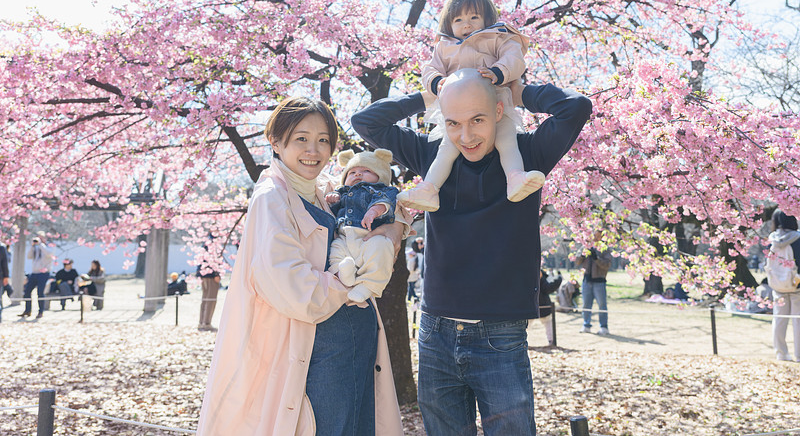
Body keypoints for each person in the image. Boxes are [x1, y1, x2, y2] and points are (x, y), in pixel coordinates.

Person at [352, 68, 592, 435]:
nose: (465, 136)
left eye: (477, 120)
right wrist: (432, 93)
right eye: (453, 123)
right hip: (435, 330)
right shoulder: (434, 158)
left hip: (501, 333)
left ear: (499, 111)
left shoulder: (527, 156)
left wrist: (518, 90)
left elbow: (576, 107)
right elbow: (365, 121)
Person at [196, 96, 406, 436]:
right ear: (276, 142)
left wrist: (395, 226)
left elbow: (387, 201)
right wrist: (349, 279)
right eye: (301, 139)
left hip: (350, 341)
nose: (314, 150)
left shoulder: (320, 191)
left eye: (323, 140)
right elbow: (293, 288)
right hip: (319, 348)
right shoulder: (272, 199)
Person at [397, 0, 545, 212]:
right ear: (449, 24)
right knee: (447, 149)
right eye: (458, 19)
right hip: (457, 112)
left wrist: (498, 71)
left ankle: (515, 177)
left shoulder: (497, 37)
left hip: (495, 103)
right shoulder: (444, 47)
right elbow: (429, 70)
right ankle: (429, 188)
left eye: (474, 17)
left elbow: (514, 58)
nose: (466, 24)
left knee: (506, 139)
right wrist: (437, 82)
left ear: (487, 19)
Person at [325, 148, 400, 302]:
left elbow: (386, 201)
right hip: (345, 238)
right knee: (336, 251)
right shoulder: (342, 193)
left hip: (369, 237)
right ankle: (344, 274)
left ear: (381, 175)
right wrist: (333, 200)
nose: (358, 174)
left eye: (366, 170)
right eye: (352, 172)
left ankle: (369, 285)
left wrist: (374, 210)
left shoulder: (381, 190)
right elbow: (331, 213)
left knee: (382, 248)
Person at [766, 209, 800, 362]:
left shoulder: (772, 240)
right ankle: (799, 355)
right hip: (796, 286)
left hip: (777, 286)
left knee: (779, 320)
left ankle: (781, 353)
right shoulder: (797, 239)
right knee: (798, 321)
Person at [577, 233, 612, 335]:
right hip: (586, 281)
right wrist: (583, 255)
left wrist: (596, 258)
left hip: (599, 281)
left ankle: (604, 327)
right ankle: (586, 325)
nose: (595, 236)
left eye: (597, 234)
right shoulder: (585, 245)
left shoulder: (604, 248)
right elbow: (577, 261)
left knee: (602, 305)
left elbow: (607, 265)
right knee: (586, 304)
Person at [20, 236, 56, 319]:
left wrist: (41, 245)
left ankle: (40, 311)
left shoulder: (49, 247)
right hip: (34, 273)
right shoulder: (35, 248)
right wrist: (32, 246)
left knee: (40, 292)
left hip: (44, 273)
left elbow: (49, 254)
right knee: (27, 291)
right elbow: (29, 256)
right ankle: (27, 310)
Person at [531, 269, 562, 346]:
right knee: (547, 323)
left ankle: (551, 340)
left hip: (536, 304)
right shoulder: (537, 272)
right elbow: (547, 288)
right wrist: (558, 278)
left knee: (547, 323)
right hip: (538, 304)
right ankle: (551, 340)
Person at [197, 262, 221, 331]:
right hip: (211, 274)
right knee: (210, 300)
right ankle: (206, 323)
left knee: (205, 299)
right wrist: (216, 274)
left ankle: (202, 322)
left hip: (203, 273)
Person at [0, 241, 9, 323]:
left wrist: (6, 276)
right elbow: (4, 263)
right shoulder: (2, 247)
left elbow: (4, 263)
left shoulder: (2, 247)